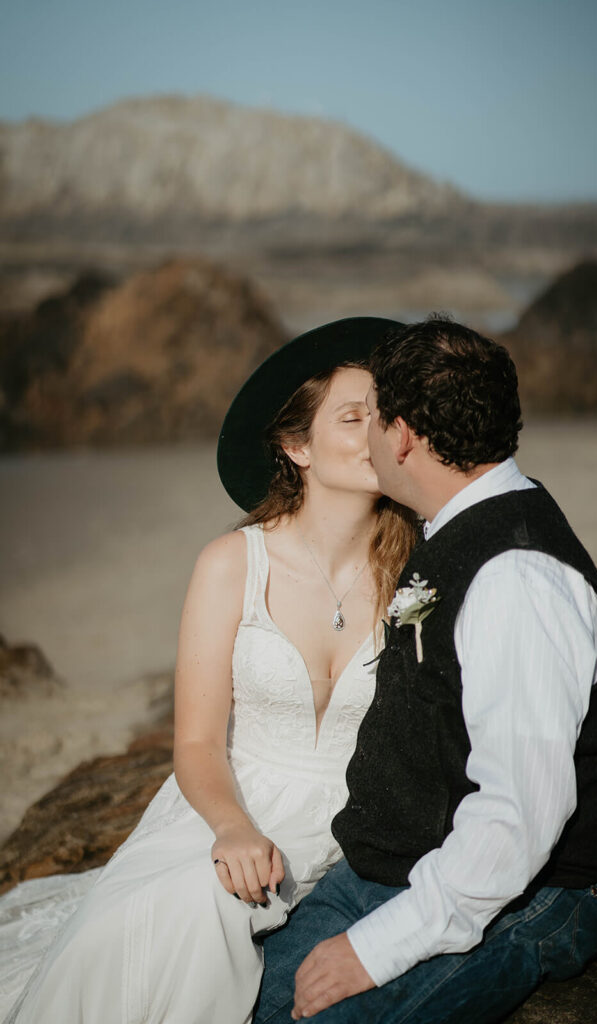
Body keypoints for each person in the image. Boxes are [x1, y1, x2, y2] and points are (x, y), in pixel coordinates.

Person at [0, 317, 417, 1024]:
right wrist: (231, 829)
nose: (378, 433)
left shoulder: (418, 571)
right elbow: (195, 743)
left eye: (386, 416)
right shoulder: (231, 564)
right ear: (296, 446)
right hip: (226, 804)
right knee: (181, 909)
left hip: (355, 819)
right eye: (353, 417)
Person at [254, 316, 597, 1024]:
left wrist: (374, 949)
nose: (367, 437)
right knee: (245, 1002)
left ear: (402, 435)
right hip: (406, 863)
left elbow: (516, 821)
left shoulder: (515, 577)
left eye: (374, 418)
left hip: (537, 890)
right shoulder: (453, 526)